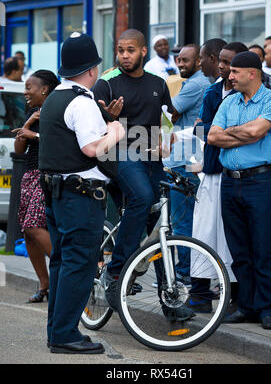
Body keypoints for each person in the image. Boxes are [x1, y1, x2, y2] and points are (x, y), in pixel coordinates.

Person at [92, 29, 194, 322]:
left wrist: (166, 136)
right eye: (120, 50)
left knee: (159, 226)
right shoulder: (106, 83)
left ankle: (170, 299)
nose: (125, 55)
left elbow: (166, 116)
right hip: (118, 156)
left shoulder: (158, 83)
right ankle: (115, 272)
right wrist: (108, 118)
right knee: (143, 198)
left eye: (130, 50)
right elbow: (92, 126)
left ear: (143, 51)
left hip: (151, 160)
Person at [39, 32, 125, 354]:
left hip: (57, 193)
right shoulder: (82, 101)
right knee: (80, 263)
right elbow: (91, 148)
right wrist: (115, 130)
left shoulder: (54, 98)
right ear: (92, 69)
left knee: (62, 262)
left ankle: (57, 331)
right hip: (80, 196)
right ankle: (65, 336)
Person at [207, 51, 271, 330]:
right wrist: (244, 132)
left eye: (235, 72)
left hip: (260, 182)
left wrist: (234, 133)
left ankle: (267, 308)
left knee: (263, 247)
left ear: (252, 73)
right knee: (239, 248)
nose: (230, 76)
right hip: (230, 181)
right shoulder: (229, 101)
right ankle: (248, 306)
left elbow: (257, 132)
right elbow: (212, 136)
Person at [184, 42, 248, 314]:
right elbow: (202, 132)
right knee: (203, 232)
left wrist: (217, 132)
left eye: (229, 63)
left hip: (237, 174)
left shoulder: (248, 95)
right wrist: (220, 132)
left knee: (232, 237)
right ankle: (199, 294)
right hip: (211, 172)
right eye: (221, 62)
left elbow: (245, 132)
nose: (224, 68)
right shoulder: (212, 92)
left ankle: (235, 297)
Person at [163, 44, 210, 284]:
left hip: (184, 161)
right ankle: (187, 272)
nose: (181, 64)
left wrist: (168, 111)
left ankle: (184, 273)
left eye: (186, 60)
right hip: (186, 159)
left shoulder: (194, 84)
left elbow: (169, 113)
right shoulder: (197, 82)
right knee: (183, 220)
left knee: (182, 221)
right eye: (178, 60)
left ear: (199, 61)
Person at [13, 70, 59, 303]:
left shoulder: (56, 110)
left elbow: (60, 142)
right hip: (30, 174)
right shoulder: (33, 112)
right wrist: (29, 123)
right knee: (27, 232)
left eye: (29, 87)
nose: (25, 92)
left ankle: (65, 269)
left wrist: (34, 134)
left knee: (33, 226)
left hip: (47, 174)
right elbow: (19, 149)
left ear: (44, 89)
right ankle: (45, 283)